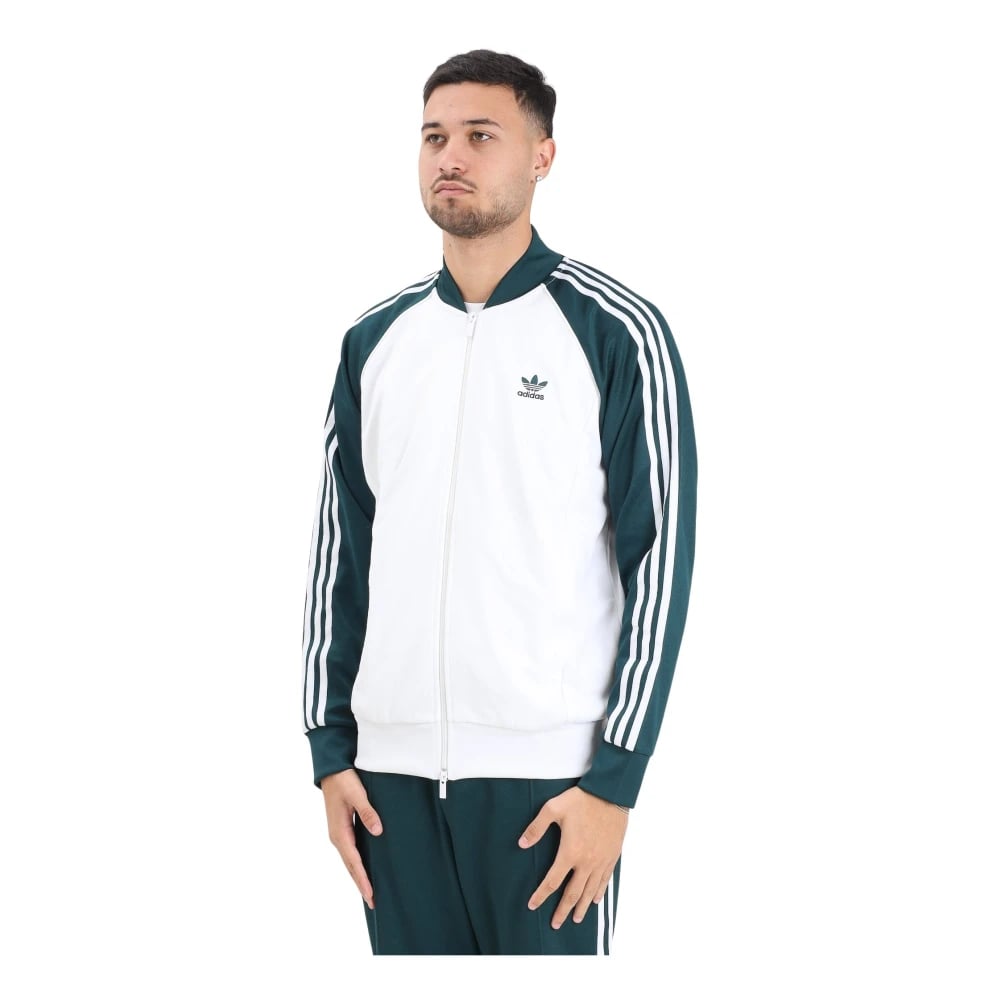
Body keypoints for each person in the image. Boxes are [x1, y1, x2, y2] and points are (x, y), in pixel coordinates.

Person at [300, 49, 698, 955]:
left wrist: (614, 782)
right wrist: (330, 750)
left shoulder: (615, 331)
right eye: (434, 137)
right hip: (388, 787)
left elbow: (661, 559)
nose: (451, 156)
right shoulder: (375, 342)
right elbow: (341, 555)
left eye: (482, 135)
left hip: (550, 789)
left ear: (542, 156)